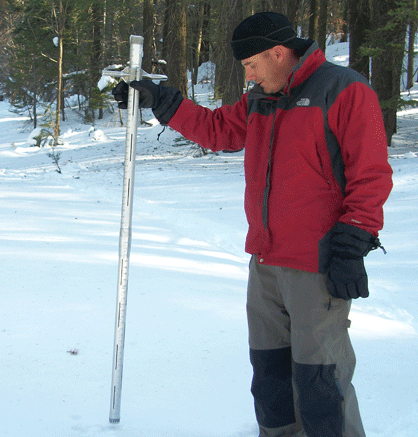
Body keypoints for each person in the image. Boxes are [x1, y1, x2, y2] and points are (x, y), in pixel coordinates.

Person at [113, 11, 393, 437]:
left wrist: (353, 244)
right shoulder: (263, 99)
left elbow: (370, 174)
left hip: (316, 262)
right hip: (265, 261)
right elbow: (219, 130)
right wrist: (163, 102)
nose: (249, 75)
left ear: (278, 53)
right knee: (271, 378)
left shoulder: (344, 90)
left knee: (320, 381)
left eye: (251, 65)